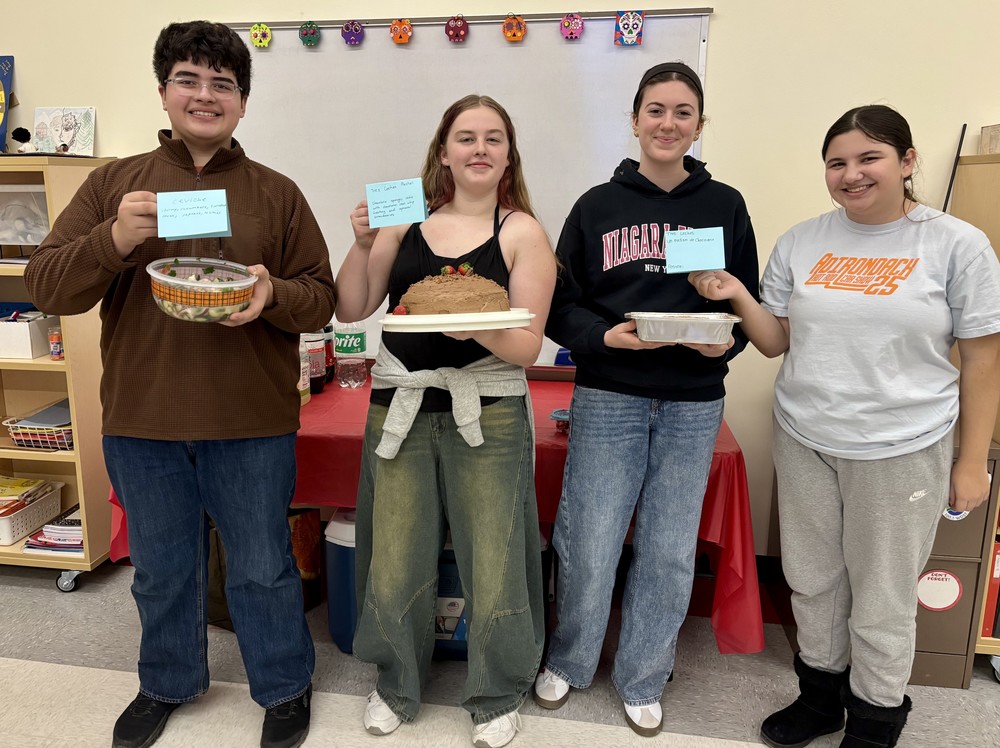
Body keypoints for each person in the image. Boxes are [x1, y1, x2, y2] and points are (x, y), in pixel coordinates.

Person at [25, 20, 336, 748]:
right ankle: (167, 681)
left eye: (223, 83)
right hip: (142, 417)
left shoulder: (276, 193)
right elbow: (45, 286)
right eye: (189, 80)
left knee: (262, 568)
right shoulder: (113, 185)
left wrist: (271, 296)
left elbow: (321, 296)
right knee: (162, 570)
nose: (206, 95)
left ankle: (285, 687)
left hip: (253, 419)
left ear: (243, 102)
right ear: (163, 91)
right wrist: (113, 241)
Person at [689, 105, 1000, 748]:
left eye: (869, 159)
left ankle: (877, 714)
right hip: (806, 437)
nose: (851, 174)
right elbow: (774, 343)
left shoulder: (955, 244)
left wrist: (971, 463)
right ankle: (820, 698)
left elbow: (983, 359)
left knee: (883, 595)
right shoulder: (804, 240)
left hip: (903, 445)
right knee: (811, 579)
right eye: (837, 163)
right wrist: (736, 296)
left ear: (907, 162)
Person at [534, 61, 759, 737]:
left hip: (693, 404)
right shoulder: (597, 207)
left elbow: (744, 305)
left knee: (666, 547)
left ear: (698, 123)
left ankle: (642, 673)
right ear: (634, 120)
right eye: (655, 110)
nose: (668, 123)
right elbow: (558, 308)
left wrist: (730, 344)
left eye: (682, 111)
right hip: (610, 396)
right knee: (590, 537)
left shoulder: (725, 205)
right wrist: (603, 336)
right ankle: (570, 661)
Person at [336, 94, 556, 748]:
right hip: (400, 405)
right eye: (466, 138)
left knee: (495, 555)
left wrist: (455, 309)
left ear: (508, 154)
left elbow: (526, 347)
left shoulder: (522, 233)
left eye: (493, 138)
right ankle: (395, 684)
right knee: (395, 554)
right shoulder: (403, 222)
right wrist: (362, 241)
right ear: (443, 153)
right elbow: (353, 306)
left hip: (488, 412)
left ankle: (495, 694)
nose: (479, 149)